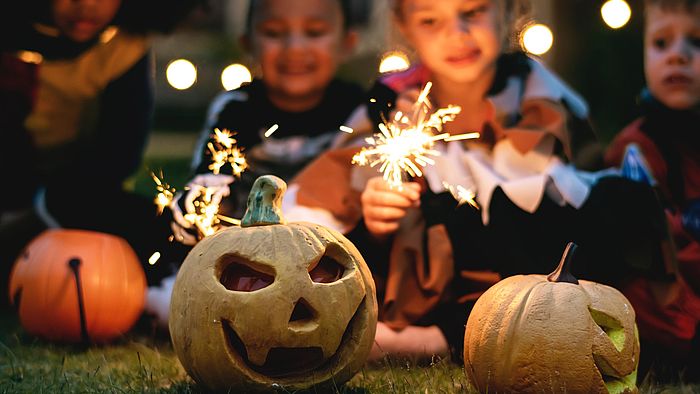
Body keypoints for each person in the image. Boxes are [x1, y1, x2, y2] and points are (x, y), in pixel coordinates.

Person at [287, 0, 674, 365]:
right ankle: (436, 331)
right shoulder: (388, 105)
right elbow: (335, 191)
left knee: (607, 206)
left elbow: (571, 178)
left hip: (524, 252)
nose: (457, 33)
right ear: (404, 26)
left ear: (506, 10)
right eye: (430, 20)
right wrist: (375, 218)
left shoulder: (540, 93)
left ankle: (446, 337)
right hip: (427, 266)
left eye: (473, 11)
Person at [148, 0, 370, 325]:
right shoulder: (237, 109)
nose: (294, 48)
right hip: (245, 256)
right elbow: (211, 177)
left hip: (326, 253)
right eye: (274, 33)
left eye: (314, 32)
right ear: (248, 44)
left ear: (347, 42)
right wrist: (200, 204)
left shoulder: (357, 110)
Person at [0, 0, 203, 310]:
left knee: (158, 224)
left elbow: (119, 155)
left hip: (76, 198)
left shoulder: (122, 48)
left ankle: (177, 287)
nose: (87, 5)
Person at [605, 0, 700, 382]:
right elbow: (659, 255)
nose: (677, 56)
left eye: (695, 42)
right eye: (661, 43)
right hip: (671, 309)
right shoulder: (637, 148)